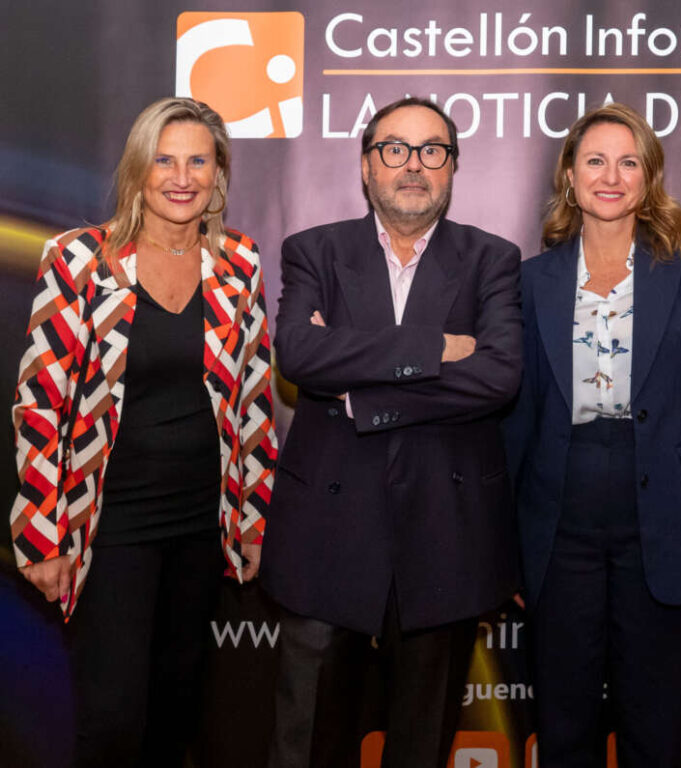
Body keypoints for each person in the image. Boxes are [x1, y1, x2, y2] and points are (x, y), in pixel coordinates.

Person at [9, 97, 276, 767]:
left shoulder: (240, 263)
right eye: (164, 160)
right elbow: (40, 404)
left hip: (201, 523)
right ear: (138, 169)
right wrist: (41, 533)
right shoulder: (80, 260)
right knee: (112, 722)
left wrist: (252, 522)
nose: (181, 178)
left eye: (198, 162)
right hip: (110, 523)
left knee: (173, 714)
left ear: (219, 173)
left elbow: (254, 402)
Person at [259, 96, 522, 768]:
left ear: (452, 167)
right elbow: (301, 356)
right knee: (307, 743)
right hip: (327, 527)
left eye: (432, 150)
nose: (413, 165)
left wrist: (364, 396)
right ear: (366, 165)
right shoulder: (313, 250)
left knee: (422, 744)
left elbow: (497, 377)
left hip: (445, 530)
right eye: (395, 149)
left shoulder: (492, 258)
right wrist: (437, 348)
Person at [503, 103, 681, 767]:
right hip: (558, 514)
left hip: (666, 511)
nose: (611, 176)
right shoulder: (531, 280)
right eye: (595, 161)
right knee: (563, 719)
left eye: (628, 161)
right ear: (569, 176)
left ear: (649, 176)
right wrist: (506, 538)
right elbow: (517, 420)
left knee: (655, 720)